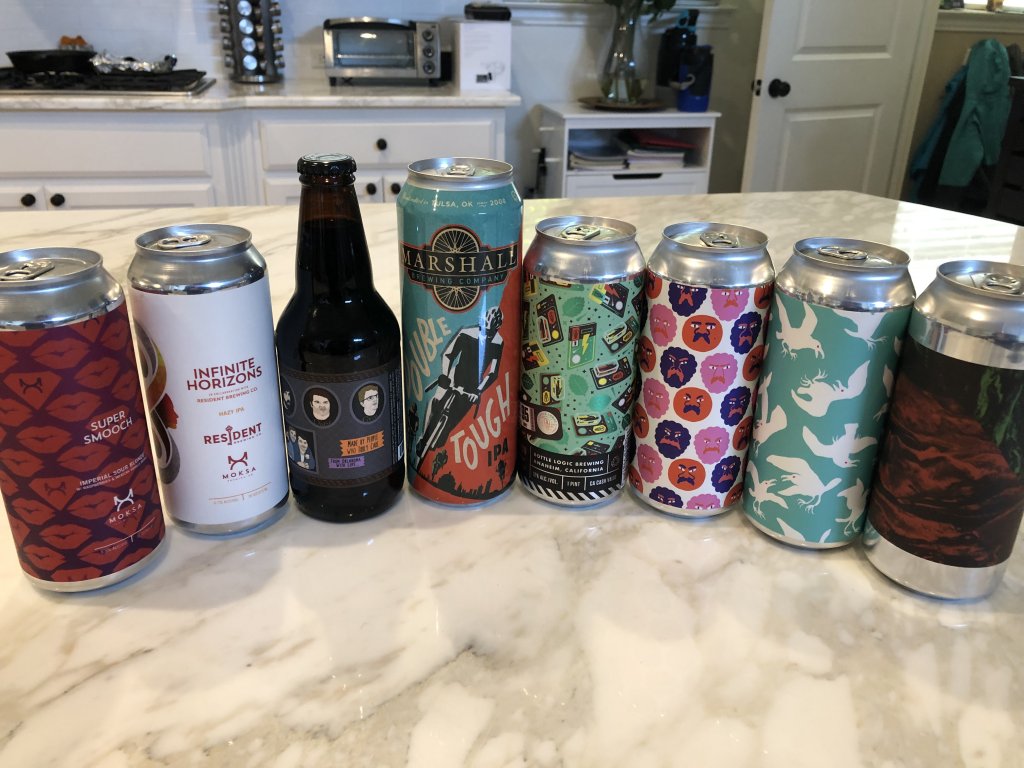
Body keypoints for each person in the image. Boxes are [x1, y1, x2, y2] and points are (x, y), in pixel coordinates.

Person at [416, 306, 504, 459]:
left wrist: (479, 390)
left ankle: (438, 440)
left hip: (473, 385)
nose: (487, 335)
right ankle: (424, 437)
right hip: (454, 375)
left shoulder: (498, 342)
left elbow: (493, 372)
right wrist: (445, 375)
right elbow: (448, 354)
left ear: (497, 329)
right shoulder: (466, 333)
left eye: (491, 332)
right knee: (436, 401)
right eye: (484, 329)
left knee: (451, 424)